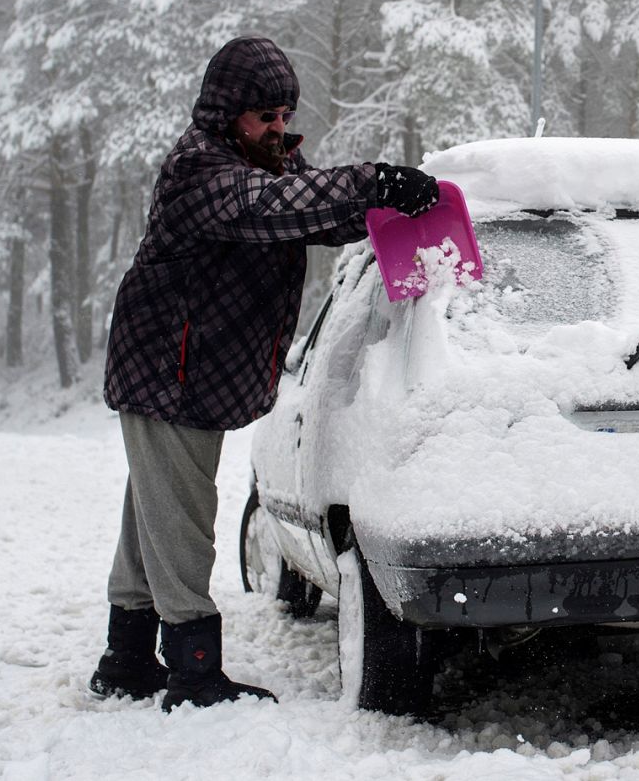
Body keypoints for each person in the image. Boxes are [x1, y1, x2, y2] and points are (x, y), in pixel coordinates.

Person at [89, 36, 439, 711]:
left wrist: (387, 205)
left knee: (154, 512)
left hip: (192, 369)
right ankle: (192, 672)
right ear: (227, 115)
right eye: (265, 117)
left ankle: (127, 658)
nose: (280, 128)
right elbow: (275, 208)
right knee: (183, 515)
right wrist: (378, 183)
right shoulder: (201, 169)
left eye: (284, 114)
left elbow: (314, 204)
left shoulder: (266, 160)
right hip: (170, 369)